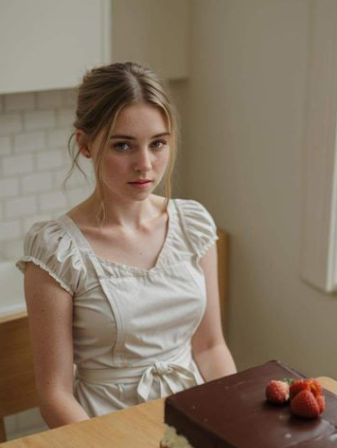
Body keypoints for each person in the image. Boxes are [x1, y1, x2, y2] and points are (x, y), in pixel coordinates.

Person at [16, 62, 237, 428]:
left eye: (158, 144)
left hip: (196, 419)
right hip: (104, 429)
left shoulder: (193, 225)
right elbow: (55, 395)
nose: (145, 165)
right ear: (85, 145)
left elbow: (211, 348)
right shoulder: (57, 250)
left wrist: (234, 421)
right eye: (123, 145)